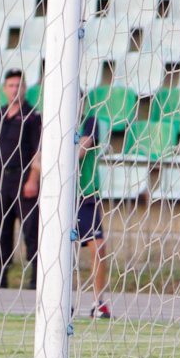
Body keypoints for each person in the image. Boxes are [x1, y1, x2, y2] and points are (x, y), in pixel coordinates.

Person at [0, 69, 41, 289]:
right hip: (2, 177)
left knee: (31, 227)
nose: (15, 89)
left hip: (24, 178)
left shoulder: (32, 117)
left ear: (25, 89)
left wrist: (33, 178)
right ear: (4, 89)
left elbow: (38, 150)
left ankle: (35, 276)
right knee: (1, 226)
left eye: (19, 85)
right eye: (11, 85)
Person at [77, 110, 112, 319]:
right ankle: (57, 302)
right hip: (59, 194)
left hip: (85, 195)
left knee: (98, 247)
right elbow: (37, 158)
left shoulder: (89, 120)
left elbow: (83, 148)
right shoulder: (50, 121)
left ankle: (98, 302)